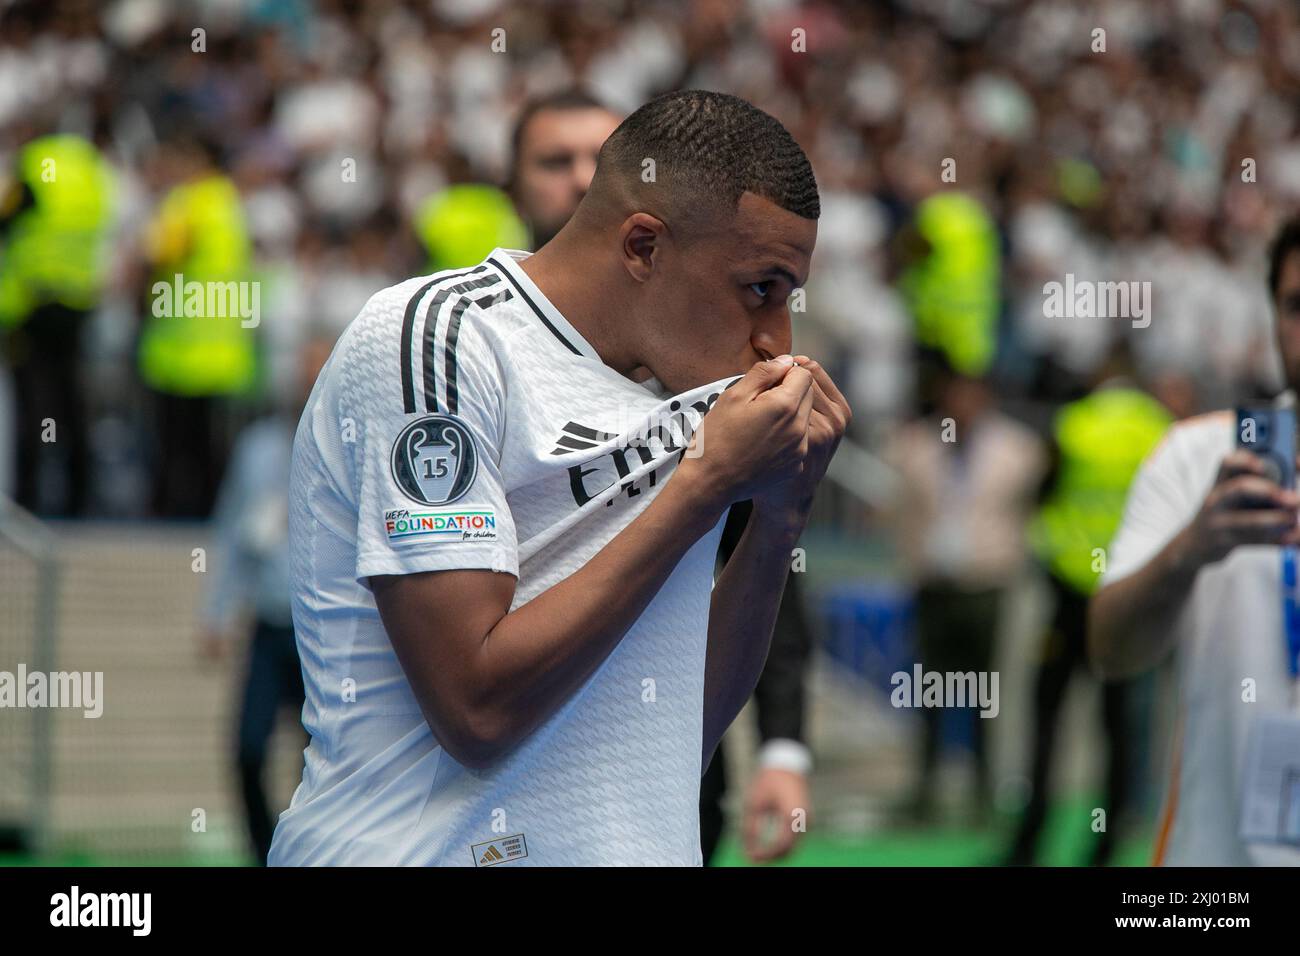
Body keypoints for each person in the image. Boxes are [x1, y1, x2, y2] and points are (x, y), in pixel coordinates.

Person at [268, 89, 849, 866]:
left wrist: (781, 515)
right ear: (644, 246)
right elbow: (476, 709)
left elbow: (678, 731)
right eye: (758, 289)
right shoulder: (436, 340)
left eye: (789, 297)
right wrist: (704, 484)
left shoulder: (687, 390)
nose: (776, 339)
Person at [508, 87, 815, 864]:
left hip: (667, 792)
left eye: (595, 156)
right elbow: (473, 703)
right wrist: (702, 482)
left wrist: (783, 746)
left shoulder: (706, 359)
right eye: (555, 160)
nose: (579, 178)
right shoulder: (452, 352)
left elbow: (764, 557)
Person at [1090, 216, 1300, 866]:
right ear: (1271, 320)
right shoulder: (1199, 456)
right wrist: (1189, 551)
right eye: (1297, 306)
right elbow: (1112, 652)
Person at [1007, 347, 1172, 865]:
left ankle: (1030, 839)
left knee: (1046, 719)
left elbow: (1040, 496)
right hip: (1128, 597)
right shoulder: (1159, 429)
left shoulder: (1072, 424)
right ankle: (1107, 847)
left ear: (1102, 372)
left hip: (1067, 594)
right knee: (1121, 726)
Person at [886, 358, 1045, 823]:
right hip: (933, 582)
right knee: (929, 690)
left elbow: (1028, 511)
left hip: (986, 581)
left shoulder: (1019, 449)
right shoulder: (915, 445)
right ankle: (926, 787)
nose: (964, 404)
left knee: (983, 692)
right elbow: (903, 514)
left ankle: (982, 788)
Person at [197, 337, 333, 864]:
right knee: (248, 746)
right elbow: (235, 531)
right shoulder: (258, 447)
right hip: (269, 625)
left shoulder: (349, 443)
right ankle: (263, 851)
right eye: (302, 371)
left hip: (322, 634)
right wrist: (215, 611)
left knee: (319, 757)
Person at [0, 132, 115, 516]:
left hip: (32, 304)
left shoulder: (33, 167)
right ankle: (78, 494)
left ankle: (29, 497)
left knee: (32, 404)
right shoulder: (87, 168)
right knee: (70, 399)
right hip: (77, 302)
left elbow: (8, 218)